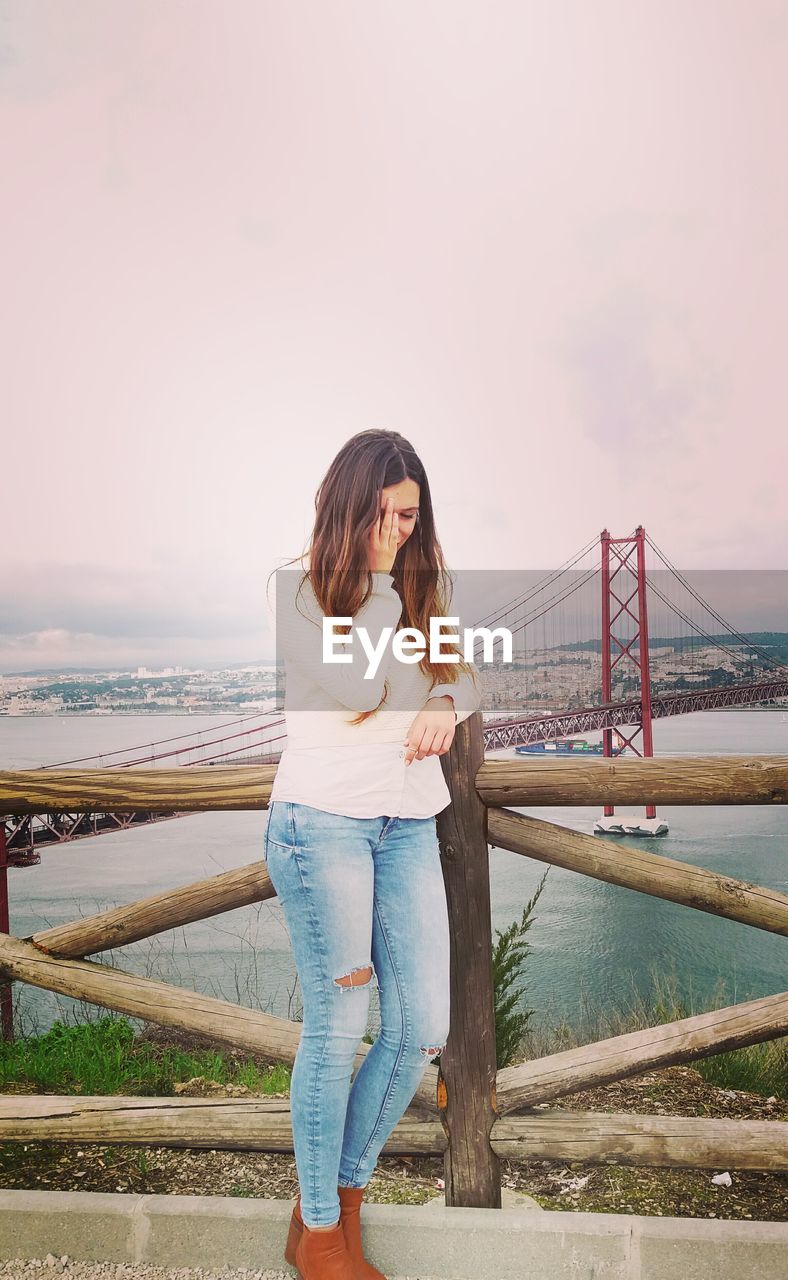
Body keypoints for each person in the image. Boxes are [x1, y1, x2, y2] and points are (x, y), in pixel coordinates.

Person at [264, 429, 482, 1280]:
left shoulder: (429, 583)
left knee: (421, 1029)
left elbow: (464, 673)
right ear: (348, 507)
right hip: (322, 826)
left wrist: (450, 701)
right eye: (384, 514)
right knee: (338, 1029)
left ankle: (335, 1204)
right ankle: (323, 1234)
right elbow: (358, 686)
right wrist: (399, 608)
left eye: (411, 515)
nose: (398, 529)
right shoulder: (299, 588)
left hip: (407, 825)